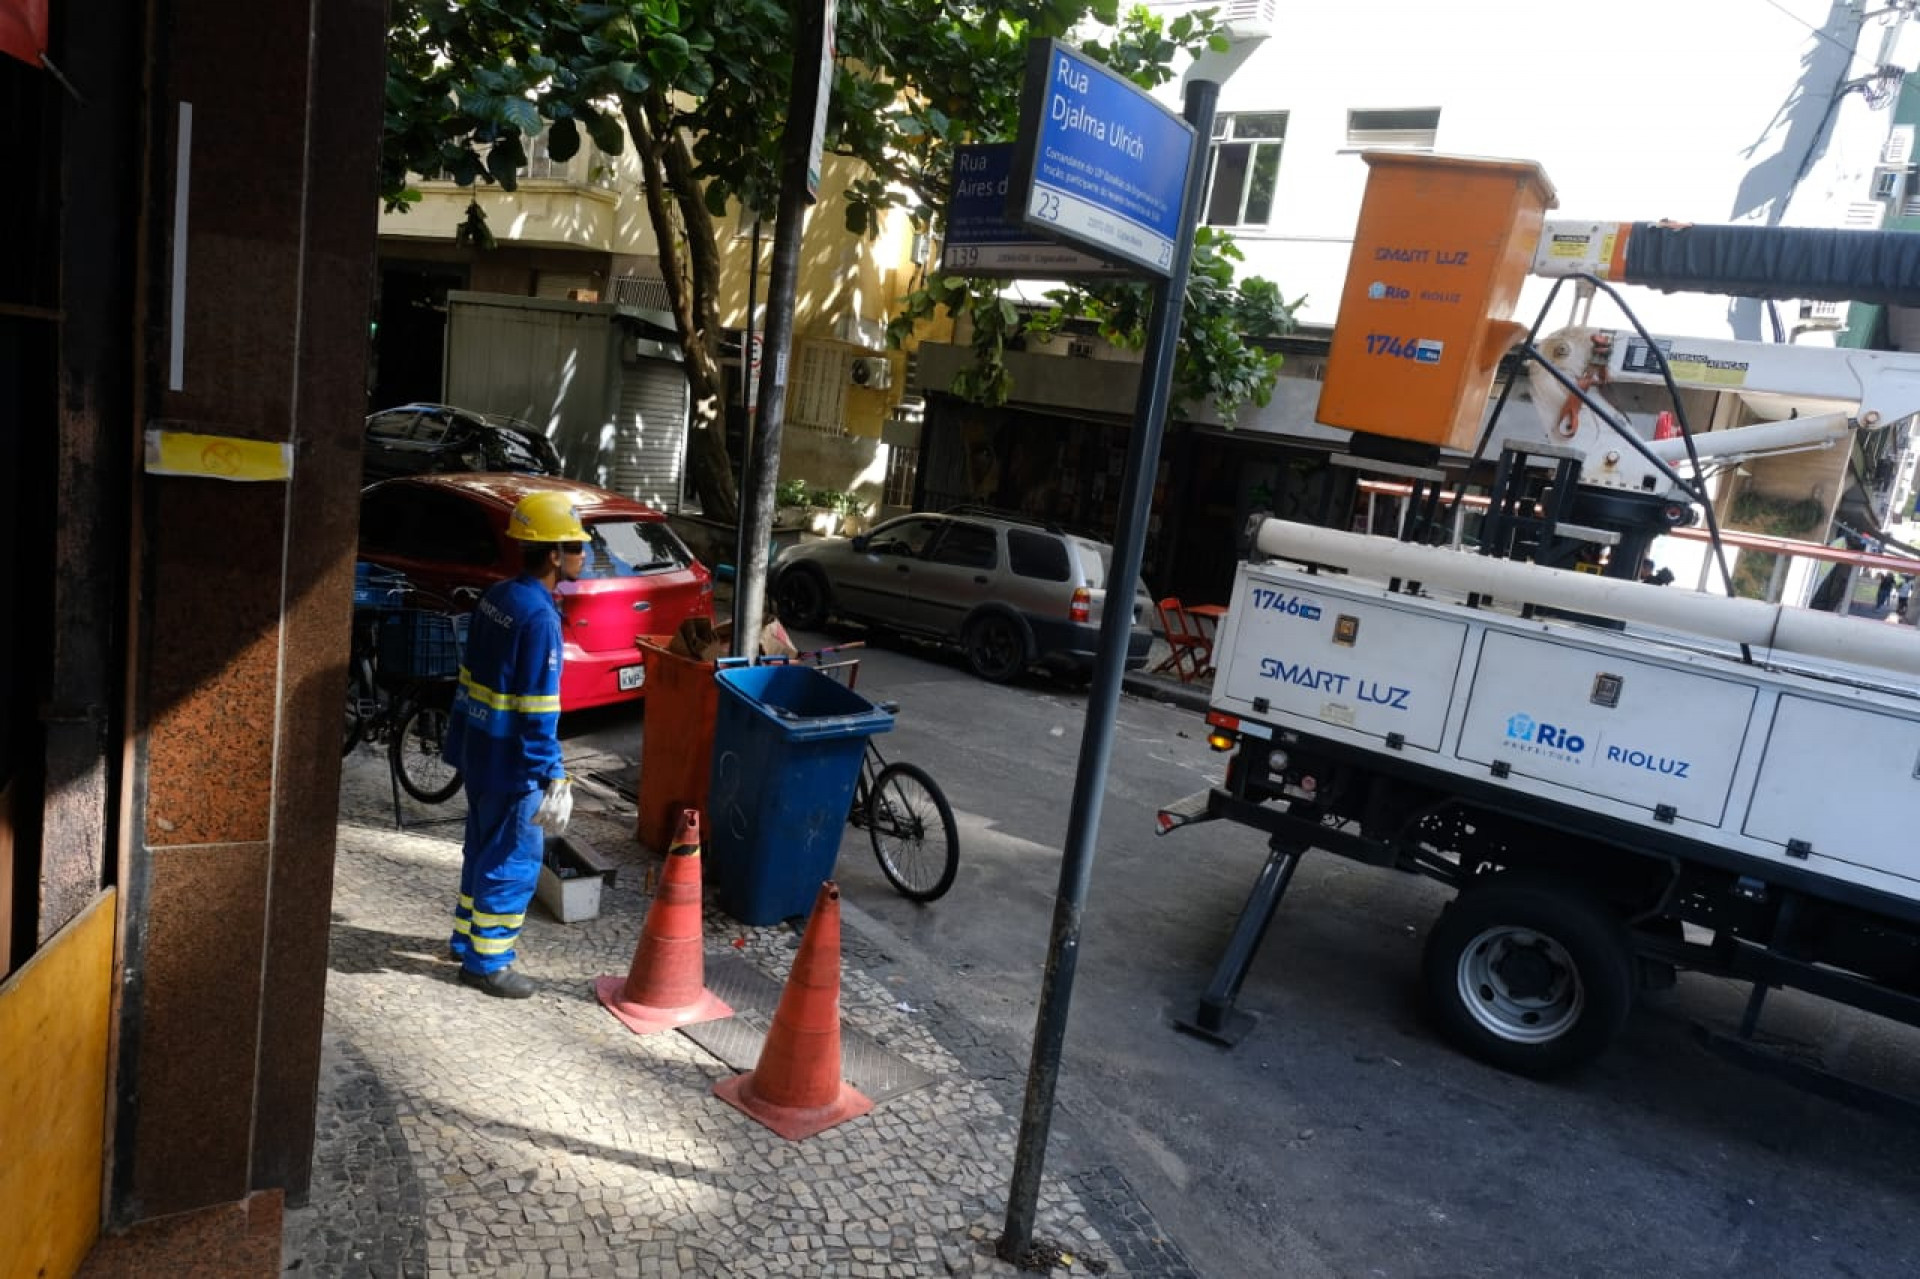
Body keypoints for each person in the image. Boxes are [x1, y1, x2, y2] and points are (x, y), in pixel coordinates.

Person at [442, 490, 588, 998]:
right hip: (514, 767)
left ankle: (465, 941)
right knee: (514, 859)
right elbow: (537, 707)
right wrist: (552, 772)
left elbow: (471, 680)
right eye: (575, 545)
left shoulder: (497, 597)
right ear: (552, 554)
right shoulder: (539, 617)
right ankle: (488, 963)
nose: (582, 554)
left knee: (480, 849)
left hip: (480, 755)